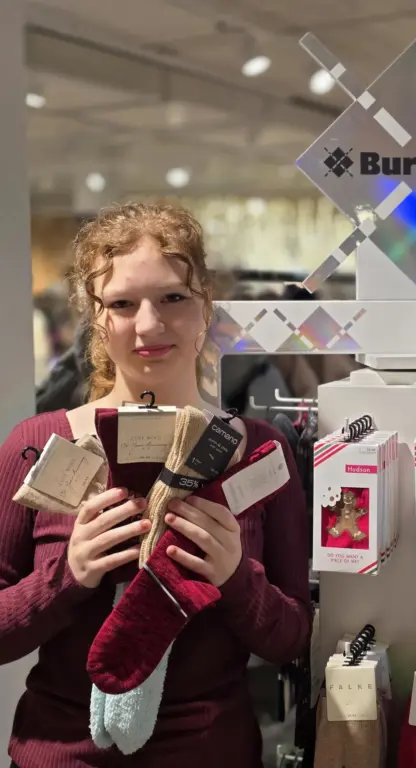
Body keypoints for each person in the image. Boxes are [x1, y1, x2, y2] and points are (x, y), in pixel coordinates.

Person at [0, 202, 312, 767]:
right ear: (94, 318)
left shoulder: (260, 454)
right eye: (122, 303)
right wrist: (65, 576)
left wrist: (235, 578)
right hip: (61, 752)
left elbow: (292, 637)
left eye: (173, 298)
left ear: (205, 307)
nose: (148, 324)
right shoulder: (35, 445)